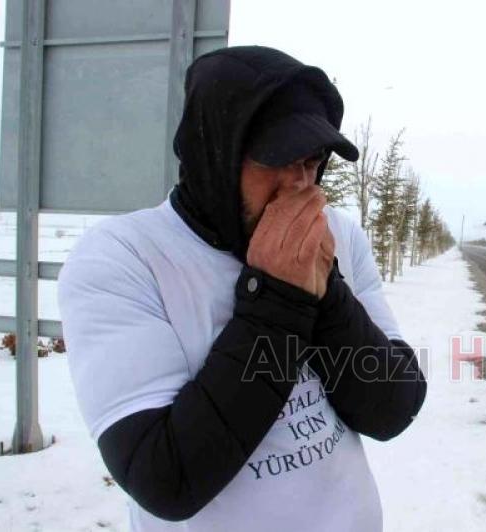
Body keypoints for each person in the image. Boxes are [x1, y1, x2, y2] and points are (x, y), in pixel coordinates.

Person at [57, 46, 427, 532]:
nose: (300, 184)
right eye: (277, 159)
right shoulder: (123, 258)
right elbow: (166, 478)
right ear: (215, 158)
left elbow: (393, 407)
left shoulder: (338, 236)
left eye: (312, 160)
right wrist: (279, 300)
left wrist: (327, 292)